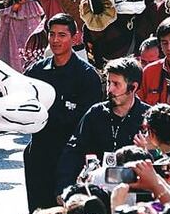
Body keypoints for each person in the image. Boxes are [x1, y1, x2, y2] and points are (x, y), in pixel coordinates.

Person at [22, 14, 102, 211]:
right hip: (39, 152)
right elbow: (15, 93)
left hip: (70, 155)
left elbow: (88, 122)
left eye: (62, 35)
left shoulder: (87, 76)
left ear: (74, 38)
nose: (55, 40)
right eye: (52, 34)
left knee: (69, 212)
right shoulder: (37, 71)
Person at [60, 58, 148, 189]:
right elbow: (73, 151)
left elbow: (163, 157)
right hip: (96, 188)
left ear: (133, 87)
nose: (110, 89)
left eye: (116, 84)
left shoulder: (147, 117)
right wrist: (64, 187)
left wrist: (148, 151)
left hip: (134, 190)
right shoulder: (96, 113)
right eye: (108, 83)